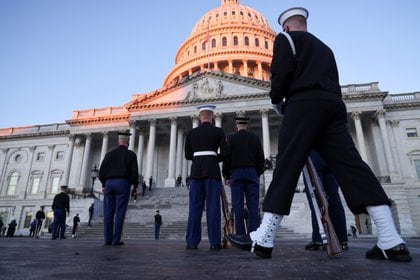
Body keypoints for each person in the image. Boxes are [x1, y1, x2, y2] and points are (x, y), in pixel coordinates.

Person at [227, 7, 412, 262]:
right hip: (333, 107)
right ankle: (391, 239)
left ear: (286, 27)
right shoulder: (325, 47)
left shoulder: (286, 40)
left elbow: (280, 74)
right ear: (304, 24)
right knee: (353, 167)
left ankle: (264, 237)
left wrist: (276, 99)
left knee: (287, 165)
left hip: (303, 105)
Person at [184, 105, 229, 250]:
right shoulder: (218, 131)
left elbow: (187, 155)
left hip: (196, 172)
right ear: (212, 117)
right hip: (212, 171)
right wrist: (215, 158)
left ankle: (192, 241)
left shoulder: (191, 133)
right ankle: (214, 242)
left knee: (195, 207)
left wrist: (199, 158)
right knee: (213, 207)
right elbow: (226, 152)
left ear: (199, 117)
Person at [222, 116, 264, 236]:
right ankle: (253, 235)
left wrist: (226, 175)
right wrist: (258, 173)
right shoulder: (255, 138)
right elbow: (260, 158)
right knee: (253, 206)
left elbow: (227, 159)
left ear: (236, 126)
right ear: (247, 126)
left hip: (236, 173)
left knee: (237, 205)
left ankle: (240, 235)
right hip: (252, 173)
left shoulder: (230, 138)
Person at [99, 131, 139, 246]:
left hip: (109, 183)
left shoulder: (109, 154)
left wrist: (103, 184)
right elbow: (134, 173)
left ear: (118, 141)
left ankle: (107, 239)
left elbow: (101, 172)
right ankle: (116, 240)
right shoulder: (131, 155)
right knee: (120, 212)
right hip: (123, 182)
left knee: (108, 212)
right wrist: (135, 187)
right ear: (128, 142)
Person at [303, 150, 348, 251]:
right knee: (335, 199)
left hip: (313, 156)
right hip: (331, 157)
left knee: (316, 199)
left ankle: (318, 240)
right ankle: (341, 240)